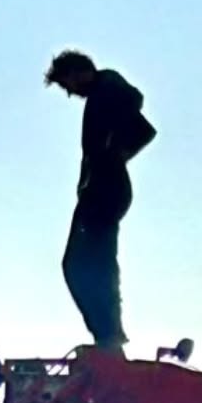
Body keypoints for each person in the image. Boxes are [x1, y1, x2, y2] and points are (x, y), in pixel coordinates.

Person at [45, 49, 157, 353]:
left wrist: (112, 156)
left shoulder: (107, 88)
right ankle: (108, 333)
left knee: (85, 264)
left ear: (77, 72)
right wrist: (115, 155)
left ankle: (108, 334)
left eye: (67, 84)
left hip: (105, 191)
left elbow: (134, 102)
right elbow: (144, 129)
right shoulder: (103, 94)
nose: (69, 93)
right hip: (104, 189)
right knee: (90, 262)